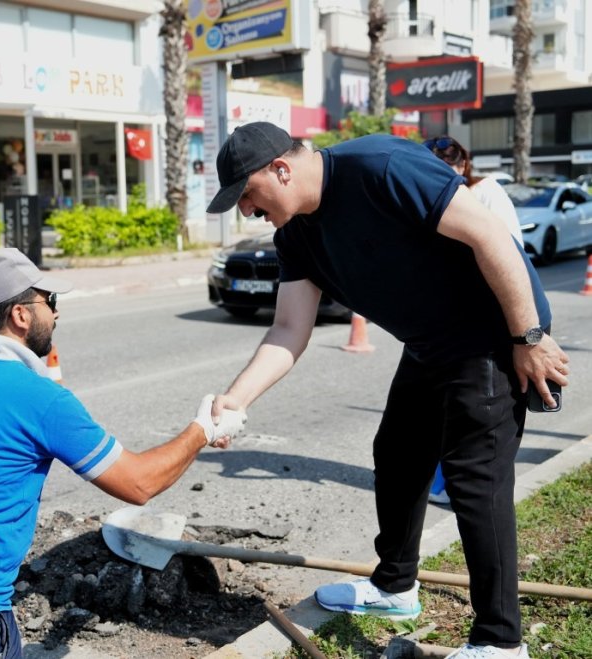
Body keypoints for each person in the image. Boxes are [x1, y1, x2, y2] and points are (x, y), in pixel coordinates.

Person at [205, 122, 569, 659]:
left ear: (280, 170)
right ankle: (394, 588)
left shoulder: (381, 166)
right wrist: (236, 398)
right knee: (397, 455)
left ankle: (500, 641)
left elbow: (488, 235)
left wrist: (528, 336)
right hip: (429, 344)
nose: (247, 212)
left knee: (474, 476)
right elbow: (288, 329)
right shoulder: (295, 236)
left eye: (248, 196)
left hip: (492, 334)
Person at [0, 247, 246, 658]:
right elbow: (139, 483)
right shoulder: (41, 399)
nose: (56, 314)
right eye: (50, 302)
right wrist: (204, 429)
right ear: (20, 316)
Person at [424, 135, 525, 505]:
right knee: (448, 407)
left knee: (477, 412)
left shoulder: (485, 192)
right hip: (450, 316)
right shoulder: (429, 195)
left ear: (462, 166)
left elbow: (509, 248)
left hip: (487, 314)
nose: (441, 173)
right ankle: (445, 485)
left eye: (448, 165)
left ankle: (468, 491)